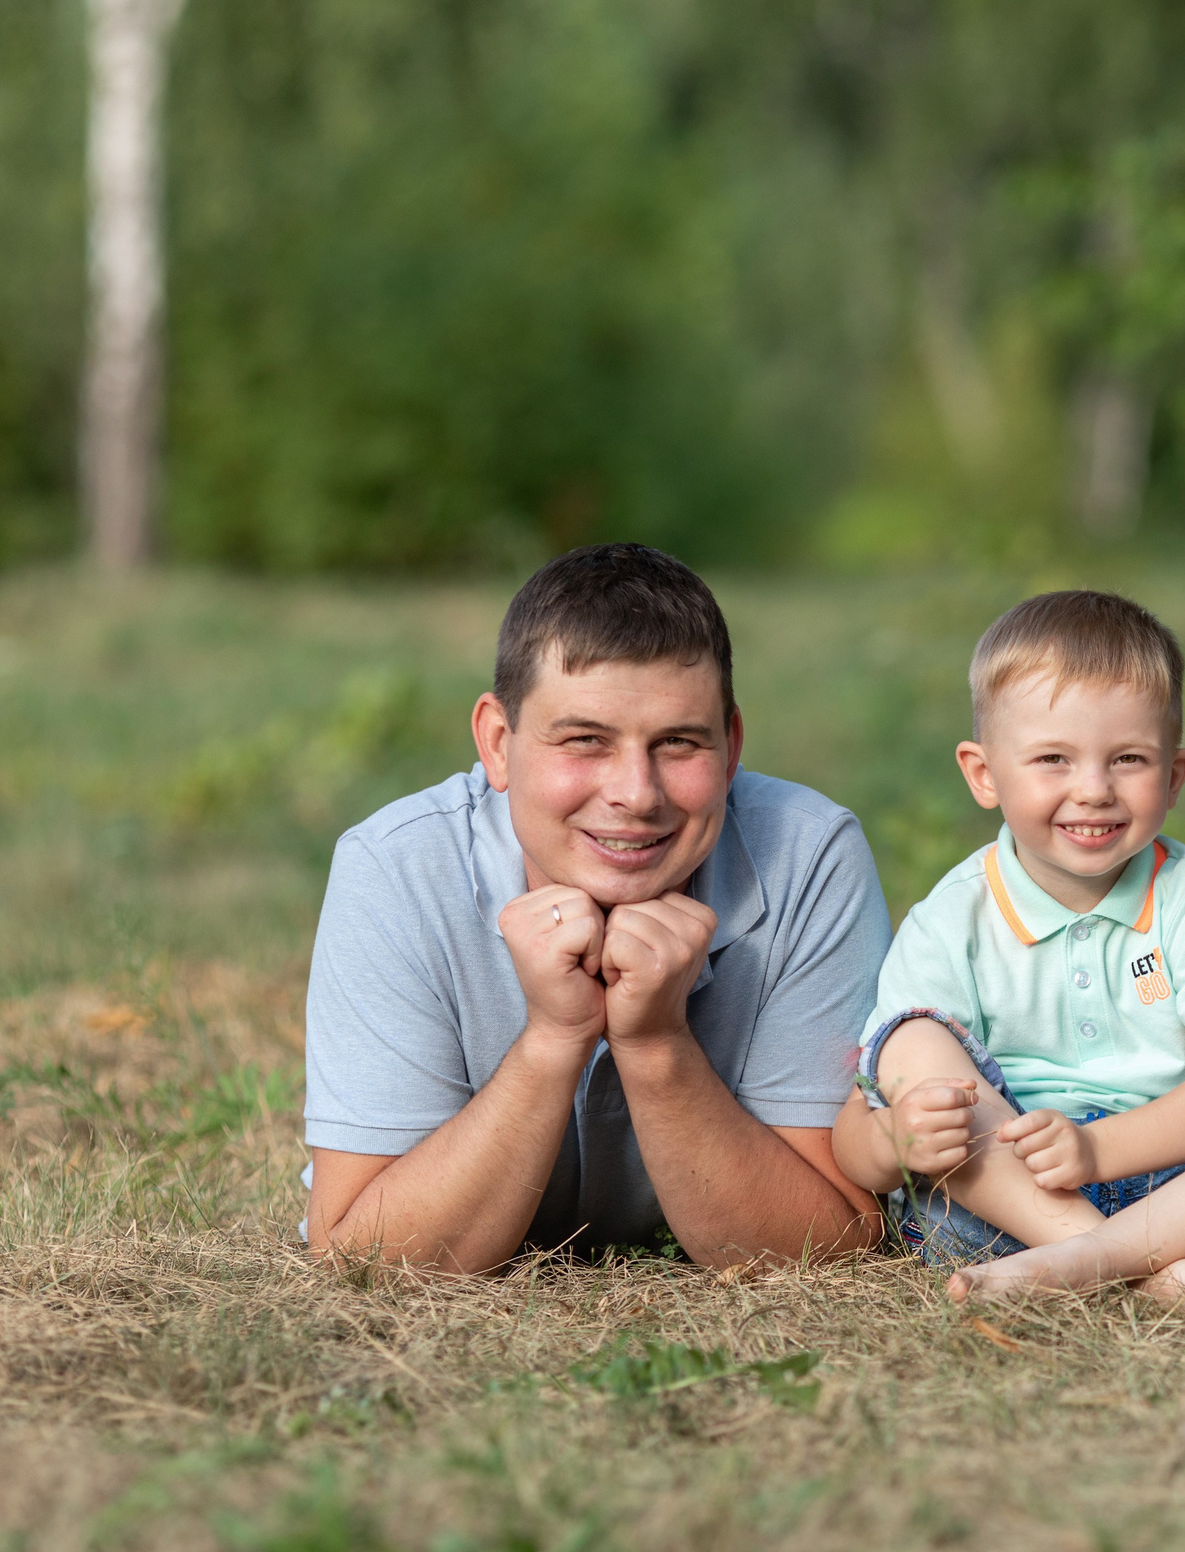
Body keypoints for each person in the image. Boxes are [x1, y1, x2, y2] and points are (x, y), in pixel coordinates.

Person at [302, 544, 890, 1272]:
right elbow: (359, 1256)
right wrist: (554, 1038)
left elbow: (834, 1241)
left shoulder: (809, 856)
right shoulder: (396, 868)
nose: (636, 793)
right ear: (498, 743)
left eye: (679, 743)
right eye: (585, 740)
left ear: (731, 746)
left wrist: (657, 1045)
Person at [831, 591, 1185, 1302]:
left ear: (1174, 776)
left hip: (1180, 1184)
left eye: (1128, 759)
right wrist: (895, 1141)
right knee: (909, 1039)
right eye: (1053, 758)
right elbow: (855, 1128)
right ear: (984, 773)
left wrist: (1095, 1149)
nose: (1093, 790)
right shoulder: (950, 920)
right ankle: (1134, 1268)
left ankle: (1087, 1263)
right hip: (1005, 1200)